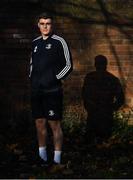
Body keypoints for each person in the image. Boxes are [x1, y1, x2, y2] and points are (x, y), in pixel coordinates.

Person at [29, 12, 73, 167]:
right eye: (42, 23)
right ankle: (42, 157)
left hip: (52, 91)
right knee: (39, 123)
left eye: (48, 23)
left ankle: (57, 159)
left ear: (52, 25)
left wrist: (54, 78)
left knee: (54, 125)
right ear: (38, 25)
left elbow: (68, 65)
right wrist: (32, 80)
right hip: (36, 91)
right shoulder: (35, 42)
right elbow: (32, 65)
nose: (45, 26)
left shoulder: (59, 41)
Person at [82, 55, 125, 144]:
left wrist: (110, 108)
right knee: (101, 141)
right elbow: (85, 94)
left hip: (100, 114)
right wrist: (111, 108)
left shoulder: (90, 77)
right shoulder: (111, 79)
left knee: (96, 141)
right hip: (100, 114)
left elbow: (84, 94)